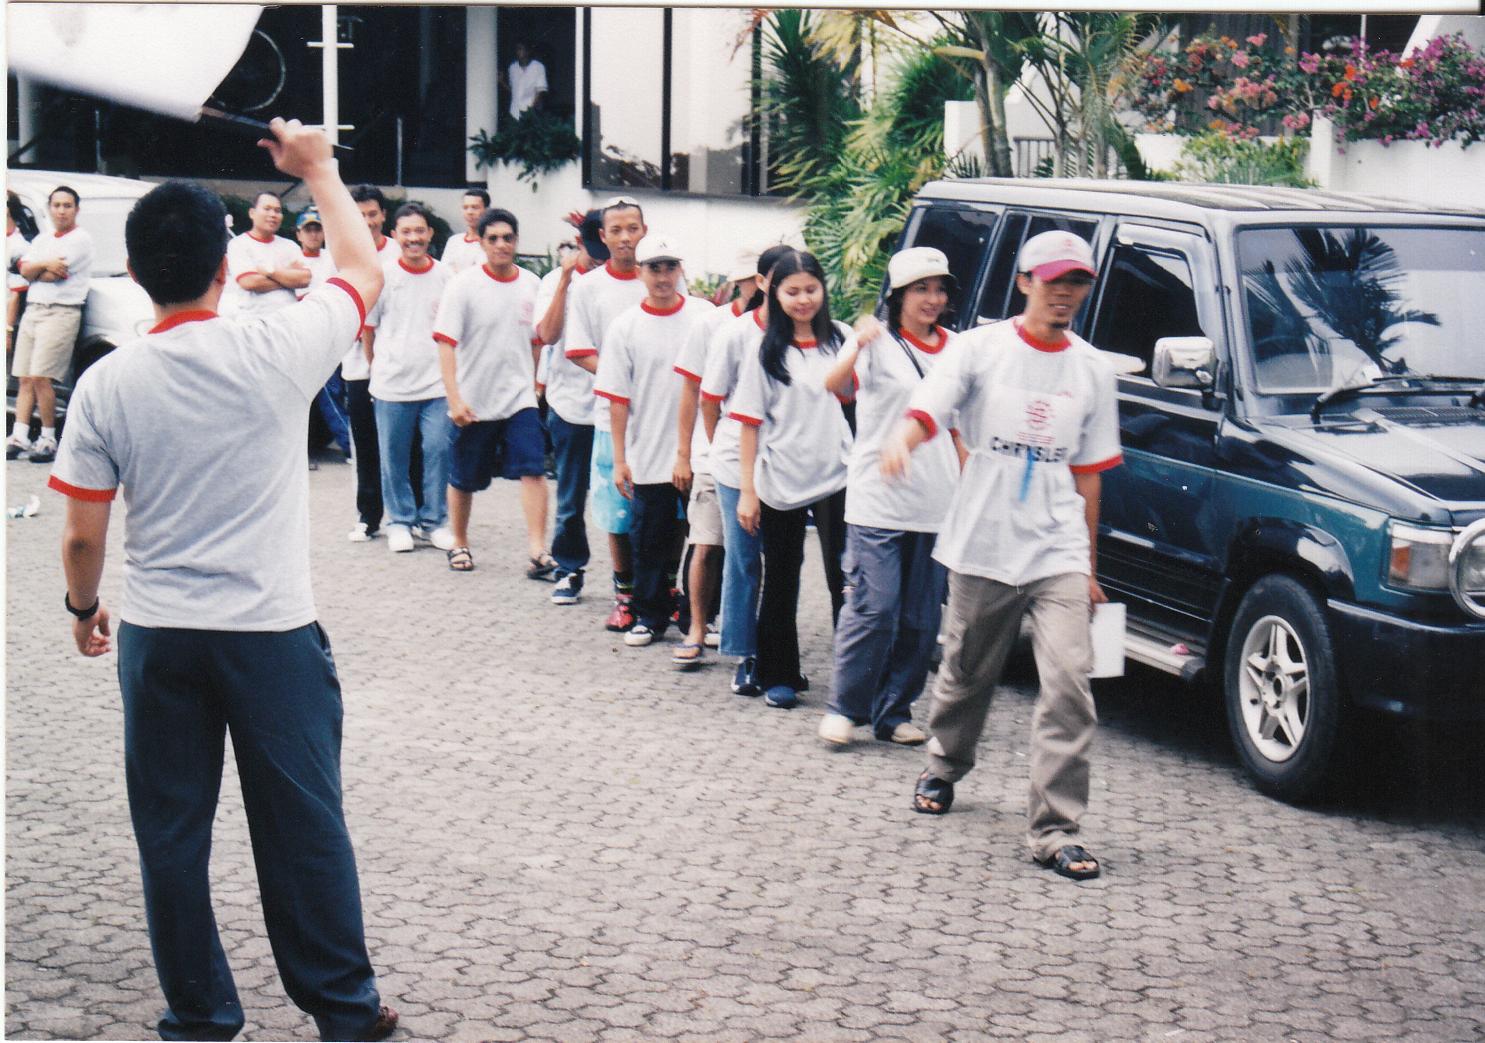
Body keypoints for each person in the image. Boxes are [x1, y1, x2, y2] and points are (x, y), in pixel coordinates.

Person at [49, 117, 398, 1041]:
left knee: (171, 833)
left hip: (161, 634)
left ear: (134, 271)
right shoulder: (276, 348)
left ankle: (201, 1012)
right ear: (223, 263)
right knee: (304, 826)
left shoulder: (108, 384)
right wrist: (319, 169)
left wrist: (83, 608)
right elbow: (363, 272)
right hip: (271, 632)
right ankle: (344, 1006)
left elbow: (82, 534)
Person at [881, 230, 1121, 882]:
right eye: (1053, 281)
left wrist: (1089, 568)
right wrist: (904, 438)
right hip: (984, 541)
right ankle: (944, 763)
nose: (1064, 293)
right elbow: (930, 406)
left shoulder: (1092, 370)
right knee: (966, 673)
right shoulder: (979, 348)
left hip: (1057, 547)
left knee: (1070, 684)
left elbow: (1089, 474)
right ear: (1024, 283)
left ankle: (1055, 829)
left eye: (1077, 282)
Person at [818, 247, 963, 749]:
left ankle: (894, 711)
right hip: (878, 499)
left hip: (936, 501)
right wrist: (855, 344)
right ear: (898, 295)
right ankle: (845, 708)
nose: (932, 299)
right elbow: (834, 385)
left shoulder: (957, 349)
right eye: (921, 289)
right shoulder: (876, 342)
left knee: (921, 620)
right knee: (875, 607)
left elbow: (960, 427)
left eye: (939, 289)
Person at [730, 249, 853, 710]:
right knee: (781, 578)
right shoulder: (765, 351)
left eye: (811, 289)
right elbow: (748, 424)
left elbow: (858, 396)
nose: (804, 300)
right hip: (781, 479)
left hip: (838, 475)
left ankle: (855, 677)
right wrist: (747, 492)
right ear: (774, 294)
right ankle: (779, 674)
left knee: (845, 578)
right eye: (793, 291)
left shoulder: (842, 339)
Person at [595, 235, 715, 648]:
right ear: (640, 272)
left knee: (703, 537)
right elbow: (617, 398)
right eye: (654, 268)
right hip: (647, 451)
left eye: (670, 267)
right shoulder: (625, 326)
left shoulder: (703, 316)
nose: (663, 277)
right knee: (648, 539)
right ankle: (649, 616)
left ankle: (700, 617)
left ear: (680, 269)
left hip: (700, 450)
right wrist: (620, 459)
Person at [432, 207, 548, 573]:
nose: (501, 245)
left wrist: (535, 383)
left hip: (519, 399)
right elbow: (446, 343)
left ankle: (538, 551)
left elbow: (537, 340)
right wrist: (454, 399)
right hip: (474, 401)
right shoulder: (463, 285)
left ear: (517, 241)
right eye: (493, 238)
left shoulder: (531, 284)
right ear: (481, 243)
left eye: (507, 238)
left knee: (534, 470)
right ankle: (459, 543)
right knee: (463, 478)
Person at [699, 243, 792, 695]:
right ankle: (744, 652)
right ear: (761, 283)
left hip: (786, 464)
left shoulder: (807, 334)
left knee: (781, 560)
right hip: (738, 462)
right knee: (744, 558)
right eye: (779, 280)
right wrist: (722, 448)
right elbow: (710, 398)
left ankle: (777, 650)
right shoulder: (735, 333)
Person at [670, 249, 765, 665]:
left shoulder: (783, 326)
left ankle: (744, 636)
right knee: (705, 543)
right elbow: (694, 391)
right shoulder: (713, 324)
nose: (755, 287)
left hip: (762, 457)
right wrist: (688, 453)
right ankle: (695, 627)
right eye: (748, 279)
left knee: (749, 554)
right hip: (718, 451)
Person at [564, 197, 651, 631]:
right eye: (616, 230)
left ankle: (663, 593)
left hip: (660, 418)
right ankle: (626, 595)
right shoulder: (588, 287)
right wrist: (623, 379)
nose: (625, 238)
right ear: (602, 236)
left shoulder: (661, 278)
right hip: (610, 417)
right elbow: (578, 350)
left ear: (644, 231)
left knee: (666, 510)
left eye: (632, 228)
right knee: (618, 510)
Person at [365, 202, 455, 555]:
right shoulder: (383, 275)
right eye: (406, 232)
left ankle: (435, 521)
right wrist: (376, 369)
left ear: (430, 233)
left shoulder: (446, 276)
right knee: (394, 457)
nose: (414, 238)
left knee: (438, 450)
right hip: (392, 384)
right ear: (394, 235)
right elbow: (369, 329)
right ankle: (400, 522)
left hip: (436, 383)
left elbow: (454, 330)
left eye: (420, 231)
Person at [535, 209, 603, 605]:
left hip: (619, 407)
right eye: (593, 253)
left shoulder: (633, 279)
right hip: (571, 404)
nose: (600, 261)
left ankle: (632, 582)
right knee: (571, 498)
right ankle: (569, 569)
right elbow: (547, 334)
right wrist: (564, 280)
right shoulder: (554, 282)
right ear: (580, 245)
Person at [8, 185, 93, 463]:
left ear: (76, 209)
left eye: (67, 205)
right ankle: (20, 435)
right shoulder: (42, 240)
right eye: (56, 205)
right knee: (24, 376)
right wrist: (42, 265)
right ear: (49, 208)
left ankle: (47, 438)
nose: (61, 211)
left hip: (61, 312)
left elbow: (54, 275)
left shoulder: (81, 240)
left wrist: (36, 269)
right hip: (34, 310)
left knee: (42, 377)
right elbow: (25, 270)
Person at [341, 184, 402, 542]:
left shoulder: (398, 250)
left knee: (401, 443)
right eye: (360, 215)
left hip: (397, 366)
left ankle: (407, 515)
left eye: (372, 214)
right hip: (357, 365)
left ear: (383, 215)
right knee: (365, 444)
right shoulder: (342, 251)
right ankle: (368, 516)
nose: (367, 221)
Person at [296, 207, 352, 464]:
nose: (313, 234)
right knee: (325, 393)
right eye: (308, 229)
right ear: (299, 234)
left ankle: (348, 443)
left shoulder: (331, 259)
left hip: (332, 332)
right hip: (304, 335)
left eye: (317, 229)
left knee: (334, 392)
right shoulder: (294, 259)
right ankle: (349, 444)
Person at [220, 190, 309, 318]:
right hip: (254, 320)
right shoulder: (238, 244)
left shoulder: (290, 246)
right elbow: (249, 282)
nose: (272, 214)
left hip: (288, 320)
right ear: (252, 213)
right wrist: (289, 277)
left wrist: (269, 272)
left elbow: (305, 279)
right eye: (267, 209)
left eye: (277, 211)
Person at [439, 187, 490, 274]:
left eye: (475, 207)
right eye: (465, 207)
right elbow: (444, 272)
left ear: (487, 210)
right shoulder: (454, 241)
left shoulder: (491, 243)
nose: (469, 212)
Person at [505, 41, 548, 119]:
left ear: (528, 51)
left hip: (531, 113)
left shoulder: (538, 67)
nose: (517, 52)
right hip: (514, 113)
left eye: (520, 49)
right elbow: (513, 90)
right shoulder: (512, 68)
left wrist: (530, 111)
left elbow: (540, 91)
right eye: (516, 49)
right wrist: (501, 82)